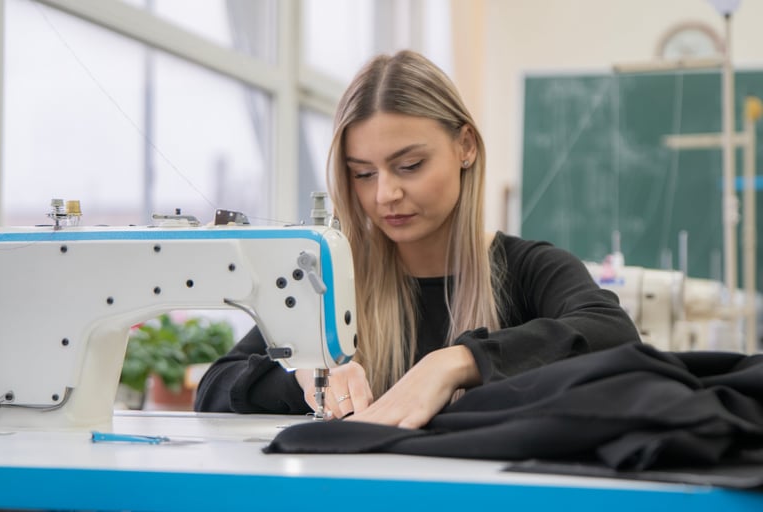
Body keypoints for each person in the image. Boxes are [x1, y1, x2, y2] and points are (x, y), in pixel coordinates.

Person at [194, 50, 641, 428]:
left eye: (409, 166)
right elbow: (216, 385)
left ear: (465, 146)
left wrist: (457, 362)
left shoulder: (531, 269)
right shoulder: (331, 282)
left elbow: (614, 335)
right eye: (363, 174)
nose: (385, 194)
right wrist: (299, 379)